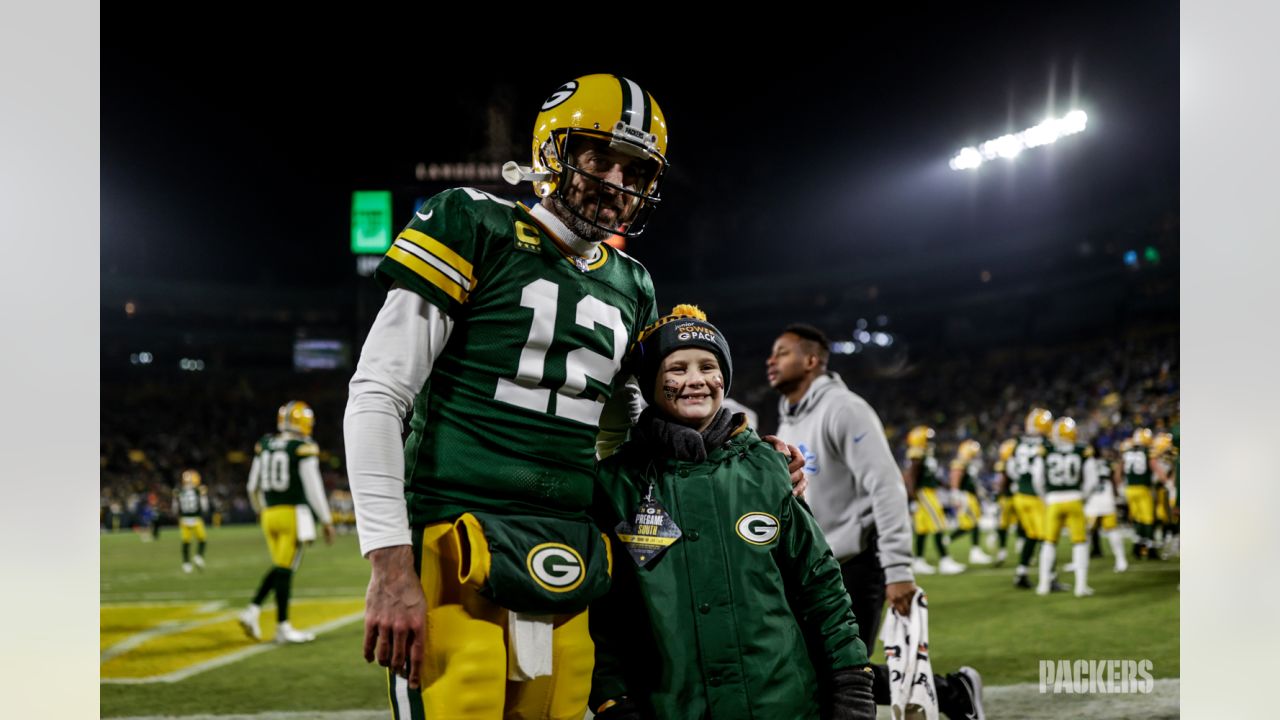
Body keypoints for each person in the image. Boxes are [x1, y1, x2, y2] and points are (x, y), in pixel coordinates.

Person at [590, 307, 875, 720]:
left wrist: (852, 682)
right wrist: (613, 699)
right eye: (677, 368)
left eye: (708, 366)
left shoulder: (767, 468)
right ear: (651, 382)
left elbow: (822, 587)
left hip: (785, 707)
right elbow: (604, 614)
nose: (695, 381)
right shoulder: (617, 484)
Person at [768, 325, 985, 720]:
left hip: (854, 565)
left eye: (782, 353)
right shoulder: (789, 421)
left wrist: (898, 569)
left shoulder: (844, 408)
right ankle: (954, 693)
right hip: (813, 568)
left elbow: (886, 487)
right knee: (813, 670)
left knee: (840, 674)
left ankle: (954, 693)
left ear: (812, 360)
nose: (771, 360)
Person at [237, 401, 336, 644]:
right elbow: (313, 488)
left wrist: (260, 509)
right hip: (292, 514)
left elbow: (252, 486)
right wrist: (326, 519)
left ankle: (254, 612)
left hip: (269, 515)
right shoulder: (302, 447)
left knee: (282, 569)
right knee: (285, 569)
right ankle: (279, 624)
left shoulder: (266, 444)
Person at [1036, 417, 1095, 597]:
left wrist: (1046, 497)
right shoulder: (1082, 450)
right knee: (1079, 542)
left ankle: (1043, 585)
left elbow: (1037, 479)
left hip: (1053, 500)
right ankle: (1080, 586)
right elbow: (1092, 480)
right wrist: (1082, 496)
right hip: (1074, 499)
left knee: (1048, 542)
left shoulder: (1045, 450)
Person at [904, 425, 967, 575]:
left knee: (923, 528)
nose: (930, 441)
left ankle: (918, 561)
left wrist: (945, 486)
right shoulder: (917, 454)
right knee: (939, 524)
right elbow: (912, 476)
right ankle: (945, 560)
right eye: (927, 438)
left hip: (929, 492)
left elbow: (930, 476)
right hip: (924, 493)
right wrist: (911, 497)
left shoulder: (926, 453)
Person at [949, 439, 994, 566]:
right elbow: (955, 477)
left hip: (971, 496)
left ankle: (975, 551)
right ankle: (974, 552)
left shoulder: (969, 464)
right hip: (965, 496)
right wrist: (955, 494)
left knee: (972, 524)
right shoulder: (960, 462)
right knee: (972, 524)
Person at [174, 469, 209, 573]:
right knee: (202, 540)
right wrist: (203, 496)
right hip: (196, 519)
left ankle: (186, 563)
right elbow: (205, 507)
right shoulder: (198, 491)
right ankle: (198, 556)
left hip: (184, 520)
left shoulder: (179, 491)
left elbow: (175, 508)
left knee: (186, 543)